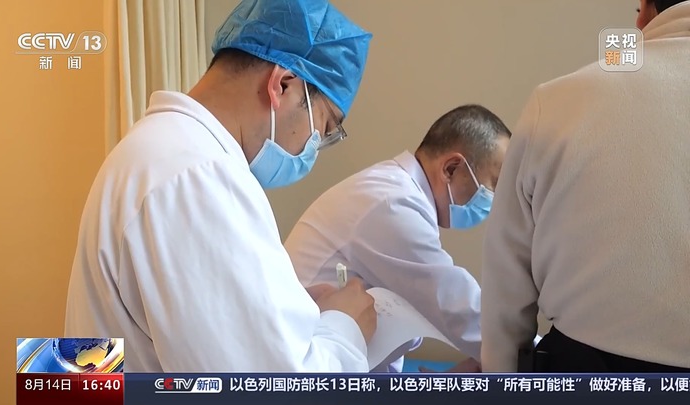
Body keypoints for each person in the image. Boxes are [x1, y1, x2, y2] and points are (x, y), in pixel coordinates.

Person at [64, 0, 378, 372]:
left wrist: (278, 314)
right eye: (323, 128)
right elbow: (272, 385)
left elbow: (76, 370)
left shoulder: (154, 149)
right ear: (282, 85)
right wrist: (345, 328)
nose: (313, 149)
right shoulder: (197, 176)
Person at [480, 0, 690, 372]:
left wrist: (503, 380)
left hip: (587, 376)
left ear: (645, 11)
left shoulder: (560, 98)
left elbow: (505, 291)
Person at [285, 105, 512, 372]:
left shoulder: (397, 193)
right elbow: (460, 310)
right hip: (306, 370)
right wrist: (542, 355)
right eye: (495, 185)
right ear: (451, 168)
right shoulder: (392, 204)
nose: (495, 201)